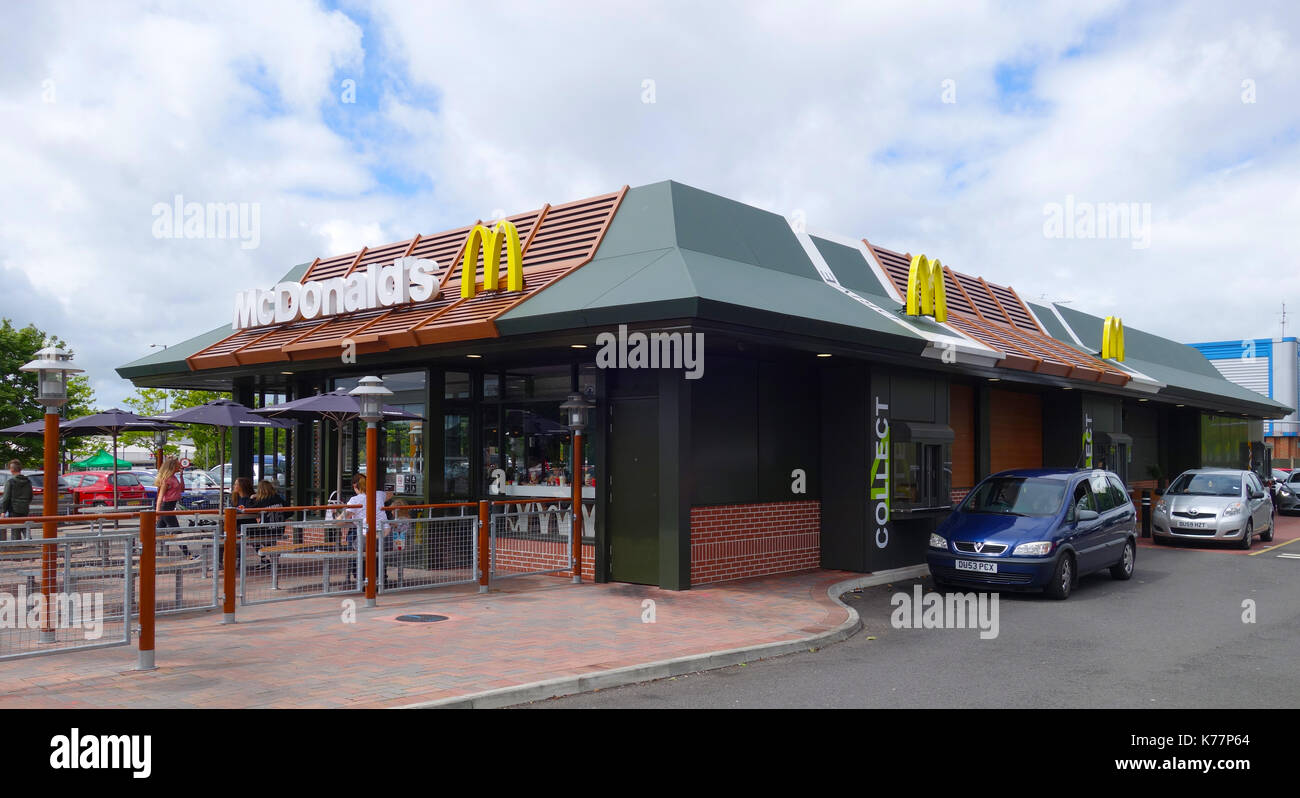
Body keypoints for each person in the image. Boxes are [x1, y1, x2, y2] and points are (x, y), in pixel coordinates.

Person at [343, 473, 388, 587]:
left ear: (355, 486)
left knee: (353, 541)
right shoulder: (379, 494)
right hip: (387, 537)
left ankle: (361, 577)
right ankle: (380, 577)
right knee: (374, 548)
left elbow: (341, 519)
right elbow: (391, 494)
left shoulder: (355, 500)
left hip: (367, 538)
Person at [1, 460, 33, 541]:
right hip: (25, 507)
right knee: (25, 526)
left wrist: (3, 511)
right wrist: (26, 503)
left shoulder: (10, 482)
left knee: (15, 529)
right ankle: (30, 542)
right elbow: (30, 496)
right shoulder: (28, 481)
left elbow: (6, 498)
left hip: (14, 508)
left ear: (11, 469)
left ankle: (17, 546)